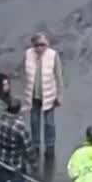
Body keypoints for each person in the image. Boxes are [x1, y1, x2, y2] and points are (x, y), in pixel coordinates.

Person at [22, 32, 64, 161]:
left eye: (43, 45)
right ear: (33, 45)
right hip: (33, 96)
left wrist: (59, 96)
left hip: (49, 95)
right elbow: (25, 74)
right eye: (37, 45)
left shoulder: (53, 55)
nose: (40, 47)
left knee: (49, 123)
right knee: (34, 122)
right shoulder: (28, 54)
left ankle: (50, 147)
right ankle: (36, 146)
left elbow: (58, 76)